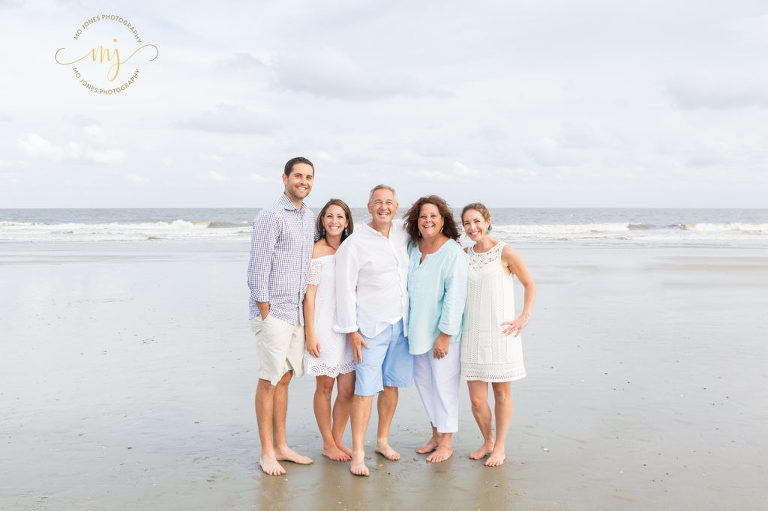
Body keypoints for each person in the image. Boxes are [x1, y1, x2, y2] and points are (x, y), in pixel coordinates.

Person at [335, 184, 412, 477]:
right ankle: (357, 453)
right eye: (378, 202)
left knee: (391, 385)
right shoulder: (354, 243)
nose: (384, 207)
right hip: (369, 328)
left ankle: (382, 441)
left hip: (401, 325)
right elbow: (345, 289)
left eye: (389, 202)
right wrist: (352, 331)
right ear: (368, 207)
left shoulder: (403, 234)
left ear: (396, 206)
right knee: (365, 390)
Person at [247, 156, 316, 476]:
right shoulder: (271, 216)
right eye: (298, 176)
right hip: (273, 312)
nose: (303, 181)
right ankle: (266, 452)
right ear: (285, 178)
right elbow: (257, 269)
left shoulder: (308, 216)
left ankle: (282, 446)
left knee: (286, 378)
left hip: (297, 312)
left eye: (309, 177)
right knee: (269, 379)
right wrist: (265, 310)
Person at [460, 202, 536, 467]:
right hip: (471, 333)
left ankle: (500, 447)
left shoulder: (505, 252)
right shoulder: (464, 253)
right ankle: (488, 441)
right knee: (477, 400)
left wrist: (524, 317)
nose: (472, 228)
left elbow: (529, 283)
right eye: (467, 223)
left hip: (500, 332)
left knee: (502, 395)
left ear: (488, 221)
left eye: (477, 221)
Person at [404, 195, 468, 463]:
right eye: (423, 216)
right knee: (425, 386)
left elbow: (455, 297)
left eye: (433, 216)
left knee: (444, 387)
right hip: (416, 332)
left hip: (443, 335)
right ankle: (435, 434)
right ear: (416, 222)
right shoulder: (411, 247)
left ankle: (447, 443)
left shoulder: (452, 252)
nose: (428, 220)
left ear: (443, 220)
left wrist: (445, 335)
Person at [302, 199, 356, 462]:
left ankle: (337, 439)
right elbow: (309, 295)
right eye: (329, 216)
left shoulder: (353, 248)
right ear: (322, 221)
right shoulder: (315, 251)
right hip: (323, 326)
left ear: (347, 222)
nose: (334, 221)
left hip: (349, 327)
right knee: (325, 386)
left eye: (340, 216)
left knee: (347, 389)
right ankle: (327, 443)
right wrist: (310, 332)